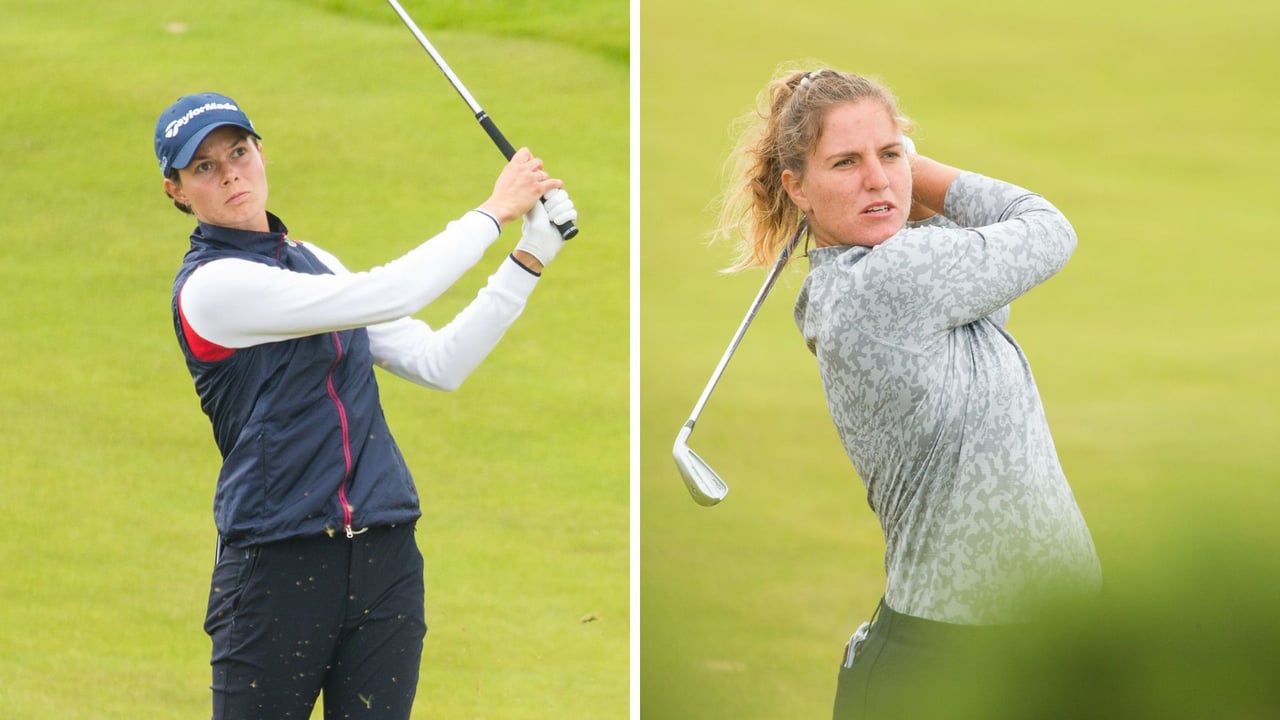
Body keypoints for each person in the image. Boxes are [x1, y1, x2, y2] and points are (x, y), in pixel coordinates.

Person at [154, 92, 577, 718]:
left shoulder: (315, 262)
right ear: (177, 191)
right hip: (276, 566)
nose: (231, 174)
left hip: (384, 557)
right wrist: (494, 212)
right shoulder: (212, 287)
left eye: (238, 153)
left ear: (260, 153)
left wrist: (528, 257)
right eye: (205, 168)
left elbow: (440, 363)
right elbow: (392, 291)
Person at [716, 68, 1102, 718]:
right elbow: (1046, 227)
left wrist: (886, 181)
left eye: (888, 154)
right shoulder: (886, 283)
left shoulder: (890, 264)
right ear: (797, 188)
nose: (875, 178)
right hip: (952, 668)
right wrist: (915, 172)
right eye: (845, 162)